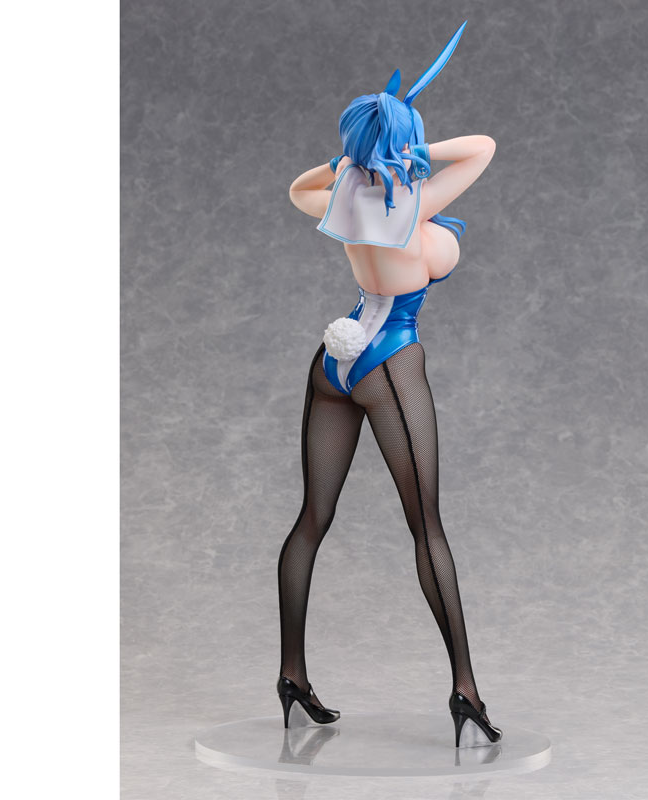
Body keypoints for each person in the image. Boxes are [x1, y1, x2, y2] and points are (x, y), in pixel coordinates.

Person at [276, 21, 501, 748]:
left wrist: (353, 159)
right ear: (404, 143)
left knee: (312, 519)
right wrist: (409, 154)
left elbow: (297, 187)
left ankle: (291, 675)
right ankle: (465, 688)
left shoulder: (344, 197)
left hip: (334, 358)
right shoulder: (413, 205)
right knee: (426, 526)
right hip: (388, 362)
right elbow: (482, 147)